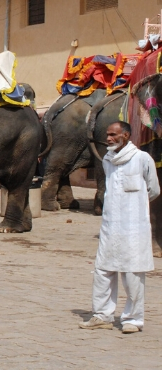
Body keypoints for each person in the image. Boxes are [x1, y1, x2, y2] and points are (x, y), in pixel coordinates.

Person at [79, 121, 160, 334]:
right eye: (107, 135)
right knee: (103, 271)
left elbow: (153, 190)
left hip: (135, 228)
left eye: (113, 135)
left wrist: (135, 208)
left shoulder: (142, 159)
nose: (109, 138)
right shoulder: (107, 160)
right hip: (109, 226)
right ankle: (102, 315)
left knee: (132, 274)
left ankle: (133, 319)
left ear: (125, 135)